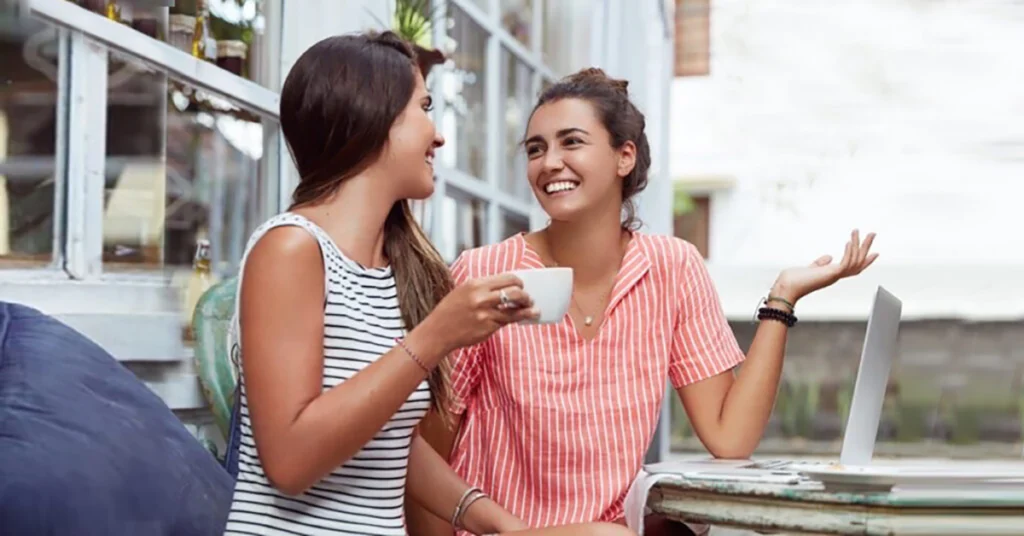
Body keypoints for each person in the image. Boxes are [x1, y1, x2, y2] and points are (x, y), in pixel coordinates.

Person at [411, 68, 878, 535]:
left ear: (624, 157)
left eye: (571, 142)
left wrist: (783, 298)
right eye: (536, 149)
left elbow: (729, 437)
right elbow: (428, 453)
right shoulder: (484, 274)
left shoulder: (673, 269)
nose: (549, 162)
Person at [223, 33, 635, 536]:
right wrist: (436, 336)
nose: (437, 136)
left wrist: (504, 526)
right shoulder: (290, 250)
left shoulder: (395, 267)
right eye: (423, 107)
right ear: (373, 119)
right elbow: (289, 461)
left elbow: (381, 439)